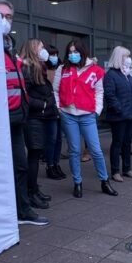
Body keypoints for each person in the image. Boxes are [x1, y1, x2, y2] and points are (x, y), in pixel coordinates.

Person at [0, 0, 48, 226]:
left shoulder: (9, 47)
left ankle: (22, 211)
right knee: (2, 170)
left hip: (16, 118)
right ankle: (6, 214)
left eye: (8, 16)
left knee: (20, 166)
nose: (4, 20)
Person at [53, 39, 118, 196]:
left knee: (96, 150)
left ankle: (104, 181)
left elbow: (99, 92)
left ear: (82, 52)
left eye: (76, 51)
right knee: (74, 150)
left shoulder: (95, 70)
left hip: (87, 115)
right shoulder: (62, 69)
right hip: (68, 115)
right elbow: (54, 90)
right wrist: (59, 108)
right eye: (70, 52)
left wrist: (97, 110)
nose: (73, 54)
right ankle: (77, 182)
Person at [19, 39, 58, 211]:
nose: (44, 50)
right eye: (41, 47)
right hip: (34, 117)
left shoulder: (39, 67)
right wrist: (41, 105)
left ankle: (34, 189)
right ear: (33, 49)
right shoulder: (28, 68)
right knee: (34, 156)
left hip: (41, 117)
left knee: (36, 154)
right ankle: (31, 192)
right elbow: (24, 94)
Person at [104, 46, 132, 182]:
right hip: (118, 116)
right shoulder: (111, 75)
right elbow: (110, 95)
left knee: (127, 143)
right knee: (117, 143)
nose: (129, 59)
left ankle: (127, 168)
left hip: (130, 115)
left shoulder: (128, 75)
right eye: (126, 56)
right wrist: (120, 109)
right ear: (119, 57)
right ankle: (115, 171)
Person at [43, 45, 67, 181]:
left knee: (58, 138)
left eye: (56, 54)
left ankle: (56, 163)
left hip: (60, 108)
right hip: (49, 109)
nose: (54, 57)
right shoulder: (43, 69)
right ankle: (49, 165)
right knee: (51, 138)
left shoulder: (61, 69)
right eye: (52, 54)